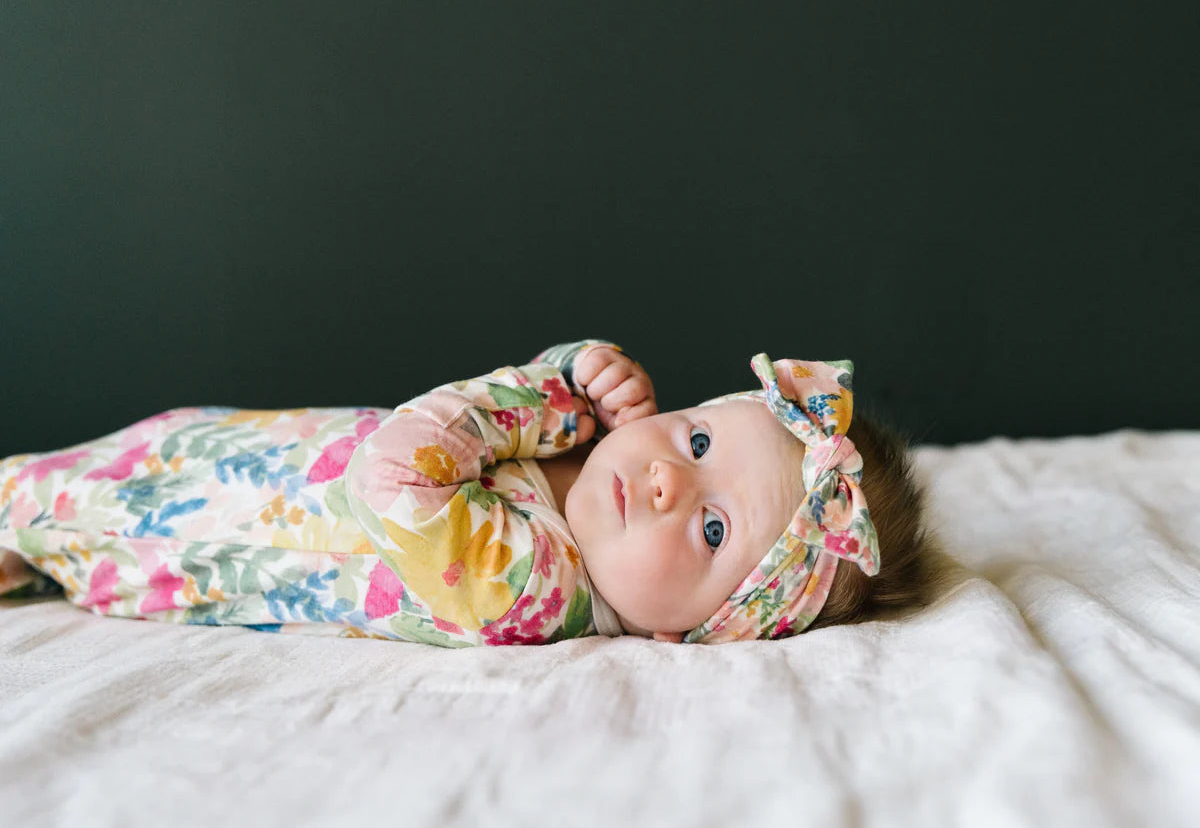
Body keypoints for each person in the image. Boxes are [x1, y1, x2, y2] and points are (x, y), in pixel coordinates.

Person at [0, 339, 938, 646]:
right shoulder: (589, 487)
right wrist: (581, 371)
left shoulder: (537, 587)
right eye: (697, 439)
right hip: (221, 446)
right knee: (90, 460)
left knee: (40, 505)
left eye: (712, 527)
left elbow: (396, 471)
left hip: (184, 527)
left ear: (694, 629)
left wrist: (552, 386)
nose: (664, 475)